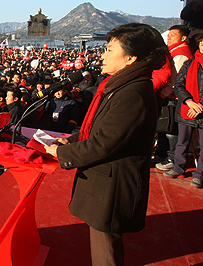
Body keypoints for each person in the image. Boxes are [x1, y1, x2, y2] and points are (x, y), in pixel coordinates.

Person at [44, 23, 167, 265]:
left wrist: (63, 152)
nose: (103, 55)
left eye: (110, 50)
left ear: (130, 58)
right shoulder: (120, 85)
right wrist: (70, 140)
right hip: (106, 181)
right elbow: (101, 127)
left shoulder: (132, 93)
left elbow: (104, 143)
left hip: (113, 186)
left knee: (106, 253)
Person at [164, 33, 203, 188]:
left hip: (199, 109)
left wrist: (200, 106)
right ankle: (178, 167)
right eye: (201, 44)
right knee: (182, 141)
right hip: (187, 108)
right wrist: (189, 101)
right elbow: (179, 85)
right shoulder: (190, 64)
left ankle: (199, 175)